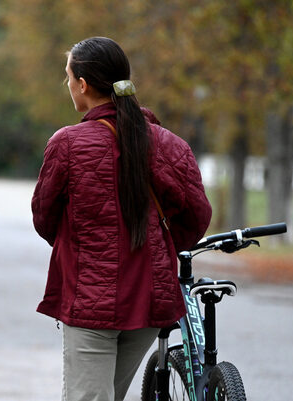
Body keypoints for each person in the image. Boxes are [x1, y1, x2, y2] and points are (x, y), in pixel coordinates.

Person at [31, 37, 212, 401]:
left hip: (90, 302)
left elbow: (44, 217)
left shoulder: (67, 144)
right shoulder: (169, 143)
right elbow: (196, 217)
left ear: (82, 85)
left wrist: (84, 244)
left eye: (68, 78)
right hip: (149, 298)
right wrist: (157, 246)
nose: (68, 86)